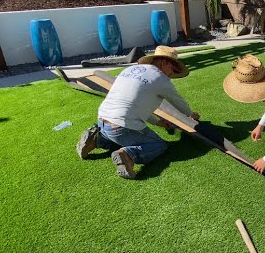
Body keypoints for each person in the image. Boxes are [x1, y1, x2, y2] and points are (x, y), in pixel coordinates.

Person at [75, 45, 200, 180]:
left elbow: (135, 105)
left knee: (118, 136)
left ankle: (96, 139)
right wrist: (191, 115)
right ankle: (128, 155)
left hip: (103, 121)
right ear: (164, 62)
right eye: (173, 68)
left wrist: (158, 122)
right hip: (121, 128)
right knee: (158, 145)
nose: (173, 73)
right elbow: (179, 103)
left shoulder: (130, 69)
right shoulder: (161, 79)